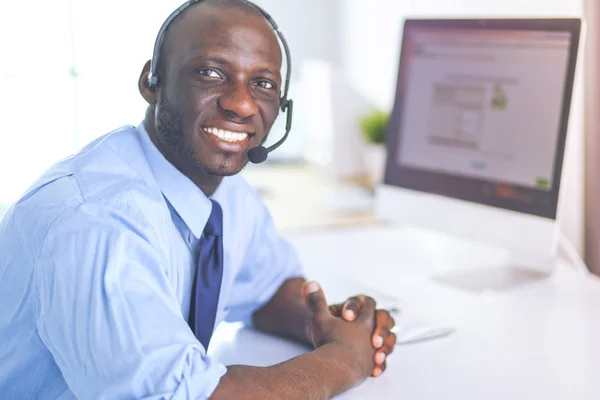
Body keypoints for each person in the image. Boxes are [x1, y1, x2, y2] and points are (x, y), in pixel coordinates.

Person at [0, 0, 397, 399]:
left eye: (263, 84)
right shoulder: (97, 223)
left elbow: (266, 289)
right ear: (151, 83)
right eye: (210, 73)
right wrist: (345, 360)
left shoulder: (228, 194)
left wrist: (328, 324)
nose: (241, 104)